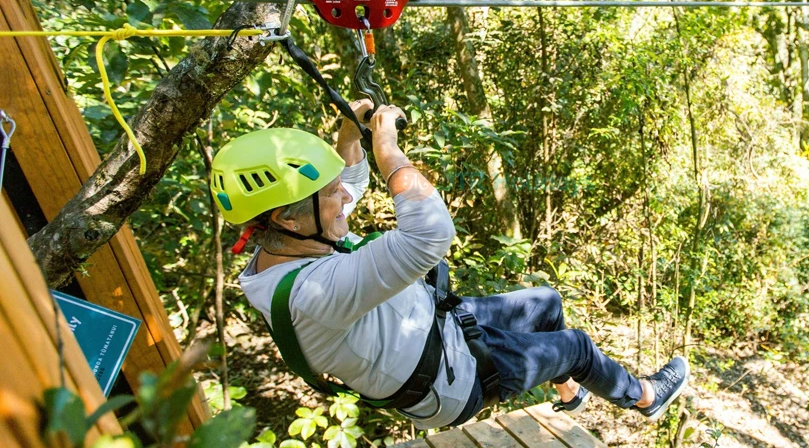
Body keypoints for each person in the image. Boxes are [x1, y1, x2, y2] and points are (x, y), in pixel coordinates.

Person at [210, 99, 690, 430]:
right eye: (328, 194)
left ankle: (569, 391)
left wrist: (346, 139)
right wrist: (388, 151)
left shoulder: (288, 243)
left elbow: (345, 187)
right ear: (287, 219)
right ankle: (645, 397)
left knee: (546, 302)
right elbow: (431, 233)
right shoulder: (312, 293)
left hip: (435, 326)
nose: (344, 197)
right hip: (449, 379)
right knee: (576, 347)